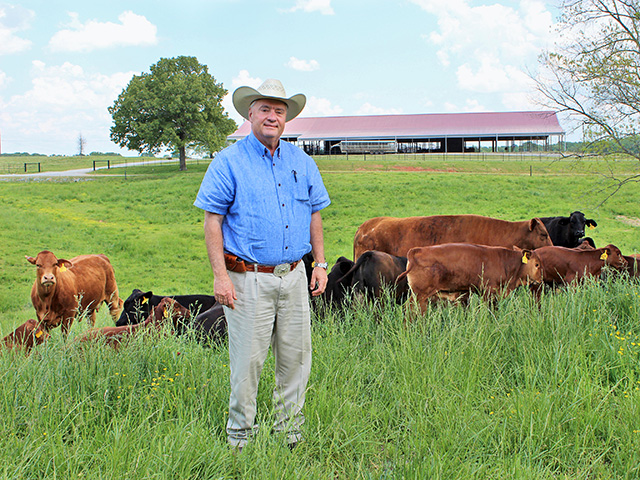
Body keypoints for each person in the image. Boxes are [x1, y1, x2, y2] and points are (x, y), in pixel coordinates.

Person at [194, 78, 331, 450]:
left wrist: (319, 263)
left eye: (279, 111)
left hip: (295, 275)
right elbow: (212, 221)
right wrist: (220, 276)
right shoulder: (229, 162)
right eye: (266, 109)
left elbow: (315, 213)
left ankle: (289, 434)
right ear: (250, 114)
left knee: (296, 359)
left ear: (286, 119)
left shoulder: (301, 162)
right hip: (248, 279)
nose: (273, 116)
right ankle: (240, 437)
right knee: (247, 363)